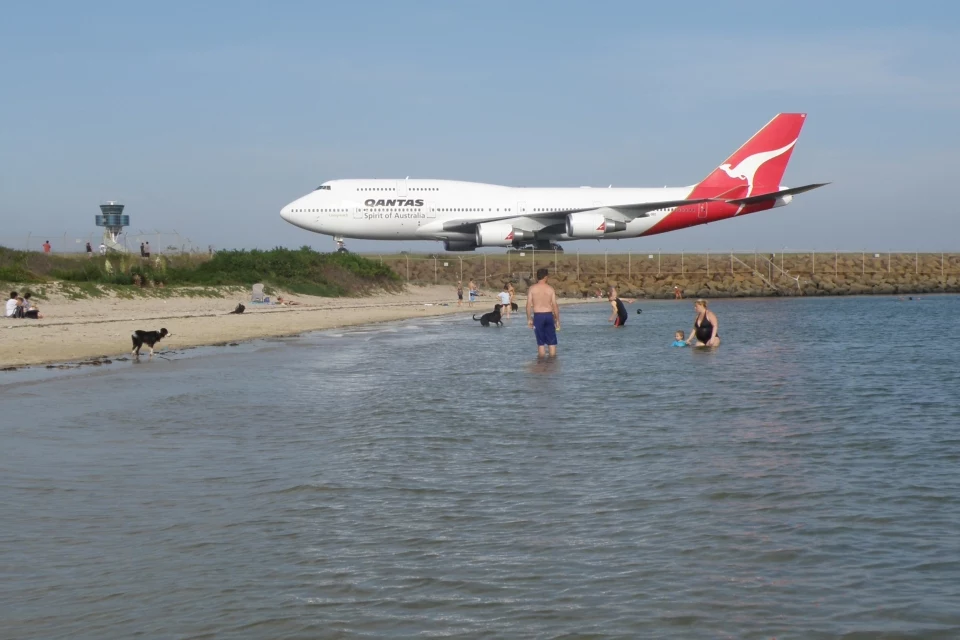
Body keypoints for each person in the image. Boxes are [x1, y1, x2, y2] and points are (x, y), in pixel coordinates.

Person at [526, 267, 560, 357]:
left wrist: (529, 319)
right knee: (551, 342)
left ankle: (541, 364)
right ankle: (552, 364)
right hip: (549, 315)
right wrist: (557, 320)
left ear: (537, 277)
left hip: (538, 316)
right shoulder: (550, 289)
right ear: (545, 277)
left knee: (540, 343)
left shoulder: (532, 289)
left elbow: (528, 305)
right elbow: (555, 305)